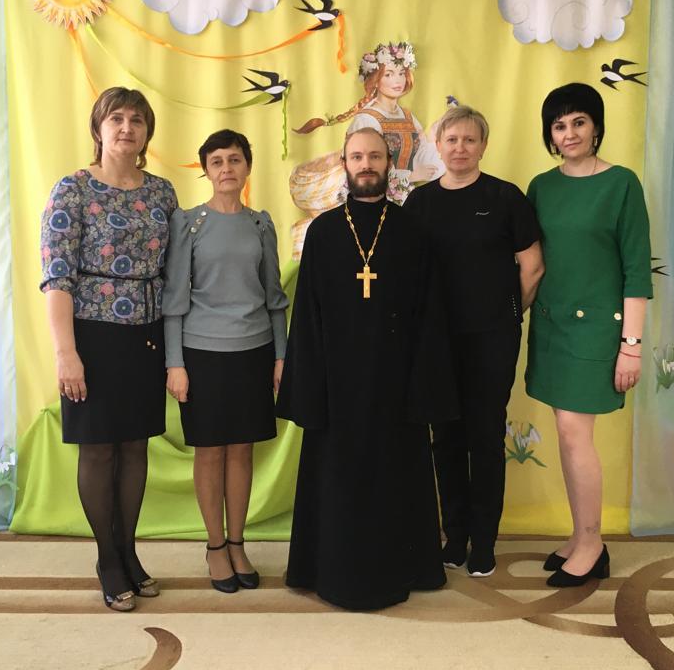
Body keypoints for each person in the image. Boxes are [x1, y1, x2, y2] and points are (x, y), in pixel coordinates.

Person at [277, 127, 457, 610]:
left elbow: (429, 313)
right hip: (337, 382)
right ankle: (329, 569)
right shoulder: (323, 232)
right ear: (345, 163)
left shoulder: (413, 230)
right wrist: (309, 386)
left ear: (388, 161)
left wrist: (423, 384)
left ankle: (406, 566)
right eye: (357, 156)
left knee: (396, 474)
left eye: (374, 156)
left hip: (396, 380)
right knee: (336, 476)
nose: (366, 164)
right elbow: (308, 315)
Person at [40, 87, 178, 611]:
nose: (126, 128)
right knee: (98, 449)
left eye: (137, 120)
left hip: (146, 334)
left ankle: (129, 551)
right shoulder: (72, 190)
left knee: (136, 446)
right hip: (90, 338)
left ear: (147, 132)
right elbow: (57, 277)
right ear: (98, 128)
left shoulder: (162, 193)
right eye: (116, 118)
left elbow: (174, 271)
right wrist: (65, 353)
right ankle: (107, 559)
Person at [403, 105, 543, 577]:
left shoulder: (505, 198)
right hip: (436, 344)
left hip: (491, 340)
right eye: (452, 140)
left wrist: (508, 314)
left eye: (469, 140)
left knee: (484, 437)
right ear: (437, 146)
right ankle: (455, 535)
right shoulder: (419, 204)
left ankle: (484, 541)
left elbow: (533, 267)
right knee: (445, 437)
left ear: (483, 145)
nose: (460, 148)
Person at [525, 83, 652, 588]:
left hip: (600, 328)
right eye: (559, 125)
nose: (569, 133)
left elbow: (636, 271)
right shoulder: (541, 186)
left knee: (576, 434)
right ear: (550, 135)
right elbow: (530, 259)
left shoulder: (622, 184)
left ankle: (593, 545)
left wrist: (631, 347)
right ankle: (580, 535)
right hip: (551, 325)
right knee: (566, 431)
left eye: (579, 122)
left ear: (596, 126)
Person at [163, 129, 288, 593]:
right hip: (202, 354)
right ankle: (215, 546)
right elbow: (174, 299)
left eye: (234, 159)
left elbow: (274, 297)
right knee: (210, 451)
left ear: (248, 167)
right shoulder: (188, 224)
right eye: (216, 161)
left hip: (254, 352)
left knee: (242, 450)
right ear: (206, 171)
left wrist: (281, 355)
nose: (226, 168)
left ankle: (238, 542)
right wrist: (174, 363)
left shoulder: (261, 225)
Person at [288, 41, 446, 257]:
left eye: (401, 73)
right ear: (376, 79)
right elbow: (363, 169)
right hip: (375, 203)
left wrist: (440, 141)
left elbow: (422, 154)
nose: (398, 80)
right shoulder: (367, 119)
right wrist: (410, 175)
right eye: (389, 74)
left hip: (404, 202)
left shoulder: (407, 116)